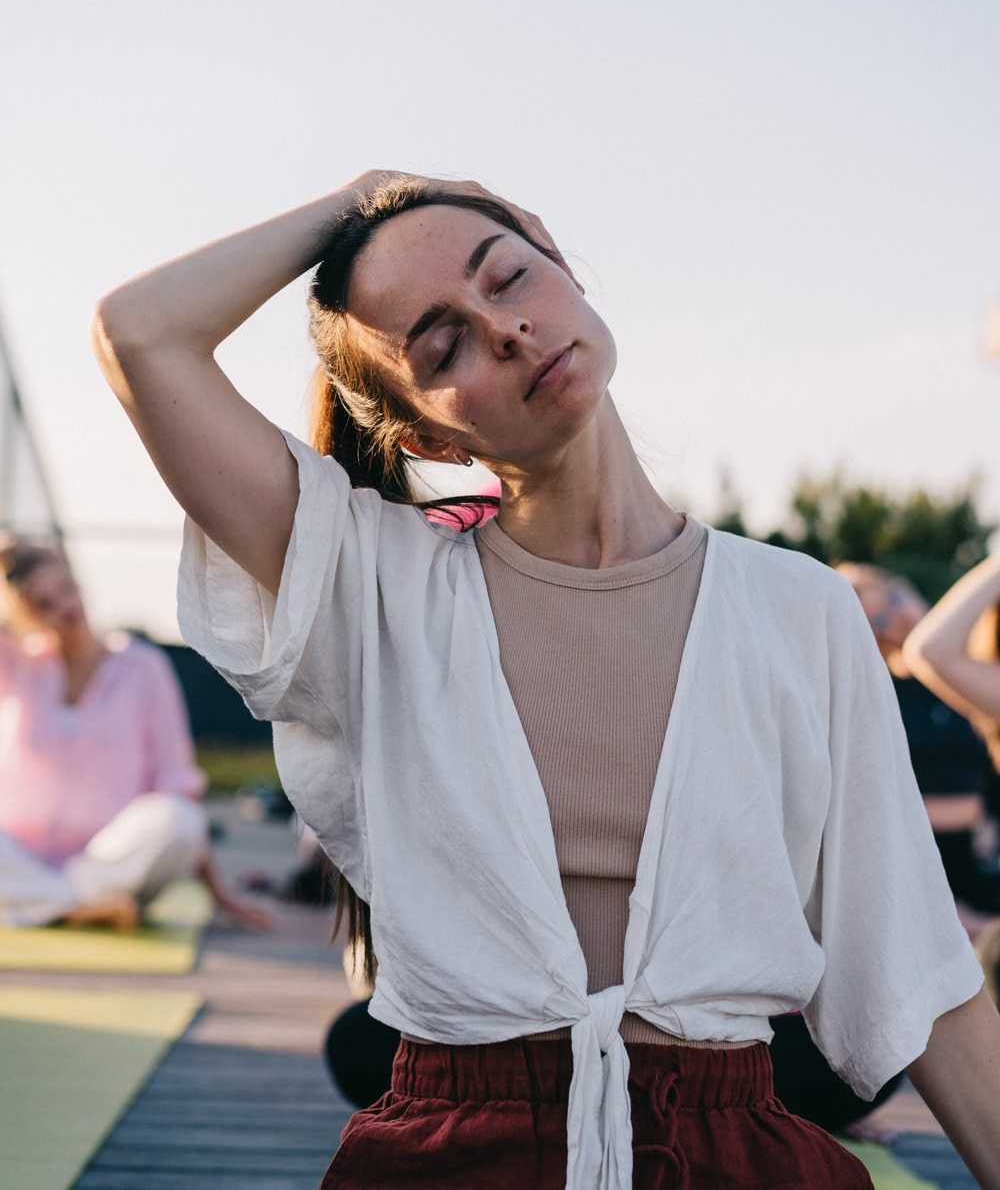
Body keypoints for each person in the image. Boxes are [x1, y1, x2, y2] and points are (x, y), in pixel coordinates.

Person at [92, 171, 1000, 1190]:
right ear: (427, 437)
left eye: (509, 277)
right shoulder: (374, 585)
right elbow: (141, 334)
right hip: (455, 1154)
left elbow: (916, 969)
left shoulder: (799, 607)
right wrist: (363, 197)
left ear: (561, 263)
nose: (506, 331)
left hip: (734, 1148)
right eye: (443, 348)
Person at [0, 537, 266, 930]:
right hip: (22, 855)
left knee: (182, 820)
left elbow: (178, 783)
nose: (65, 607)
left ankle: (43, 901)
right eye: (44, 604)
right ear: (23, 616)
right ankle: (76, 907)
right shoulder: (17, 667)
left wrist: (217, 891)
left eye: (66, 589)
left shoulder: (144, 667)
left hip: (116, 863)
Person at [838, 562, 1000, 926]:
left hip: (986, 859)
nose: (899, 615)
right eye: (880, 619)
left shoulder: (978, 662)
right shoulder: (881, 697)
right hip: (930, 872)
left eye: (895, 597)